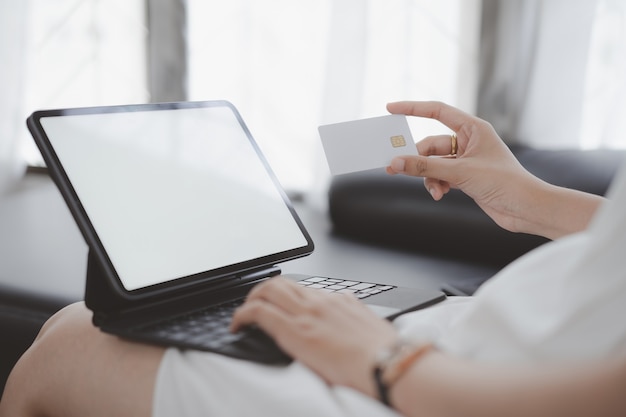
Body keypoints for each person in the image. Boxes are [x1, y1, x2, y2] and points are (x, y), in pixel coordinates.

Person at [1, 101, 625, 417]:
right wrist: (533, 204)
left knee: (68, 346)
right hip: (484, 334)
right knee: (76, 321)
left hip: (472, 391)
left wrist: (386, 362)